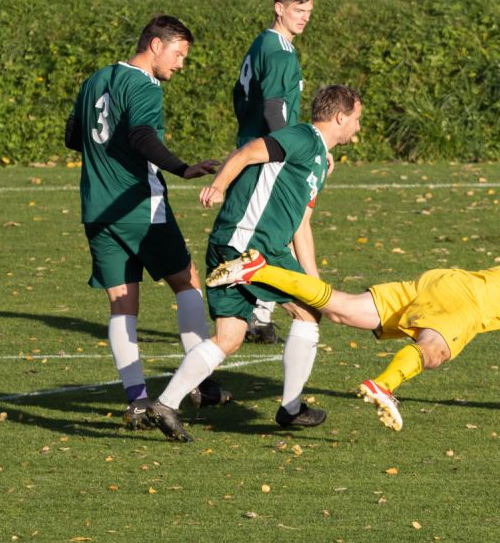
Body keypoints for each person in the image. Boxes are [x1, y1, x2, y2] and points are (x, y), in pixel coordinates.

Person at [205, 232, 500, 430]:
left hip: (443, 281)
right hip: (465, 303)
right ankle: (383, 384)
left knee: (340, 309)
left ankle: (261, 268)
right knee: (434, 350)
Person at [145, 84, 362, 442]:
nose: (357, 127)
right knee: (309, 313)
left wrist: (313, 281)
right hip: (251, 247)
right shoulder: (303, 138)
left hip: (238, 243)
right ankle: (291, 408)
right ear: (340, 116)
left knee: (230, 338)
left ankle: (166, 404)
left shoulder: (321, 159)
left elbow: (301, 225)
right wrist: (218, 185)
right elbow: (248, 152)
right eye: (356, 119)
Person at [64, 15, 229, 429]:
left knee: (122, 302)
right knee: (187, 281)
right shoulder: (144, 86)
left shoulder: (97, 79)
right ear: (156, 45)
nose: (180, 65)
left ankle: (137, 400)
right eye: (178, 55)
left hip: (97, 210)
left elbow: (72, 137)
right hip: (139, 207)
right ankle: (200, 382)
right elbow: (141, 136)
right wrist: (182, 167)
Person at [233, 0, 315, 345]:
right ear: (279, 8)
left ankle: (258, 314)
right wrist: (287, 150)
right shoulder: (280, 51)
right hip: (271, 154)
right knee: (272, 233)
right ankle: (253, 311)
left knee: (271, 230)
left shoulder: (261, 43)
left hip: (257, 147)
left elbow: (240, 95)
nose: (304, 18)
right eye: (298, 10)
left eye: (309, 11)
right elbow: (273, 108)